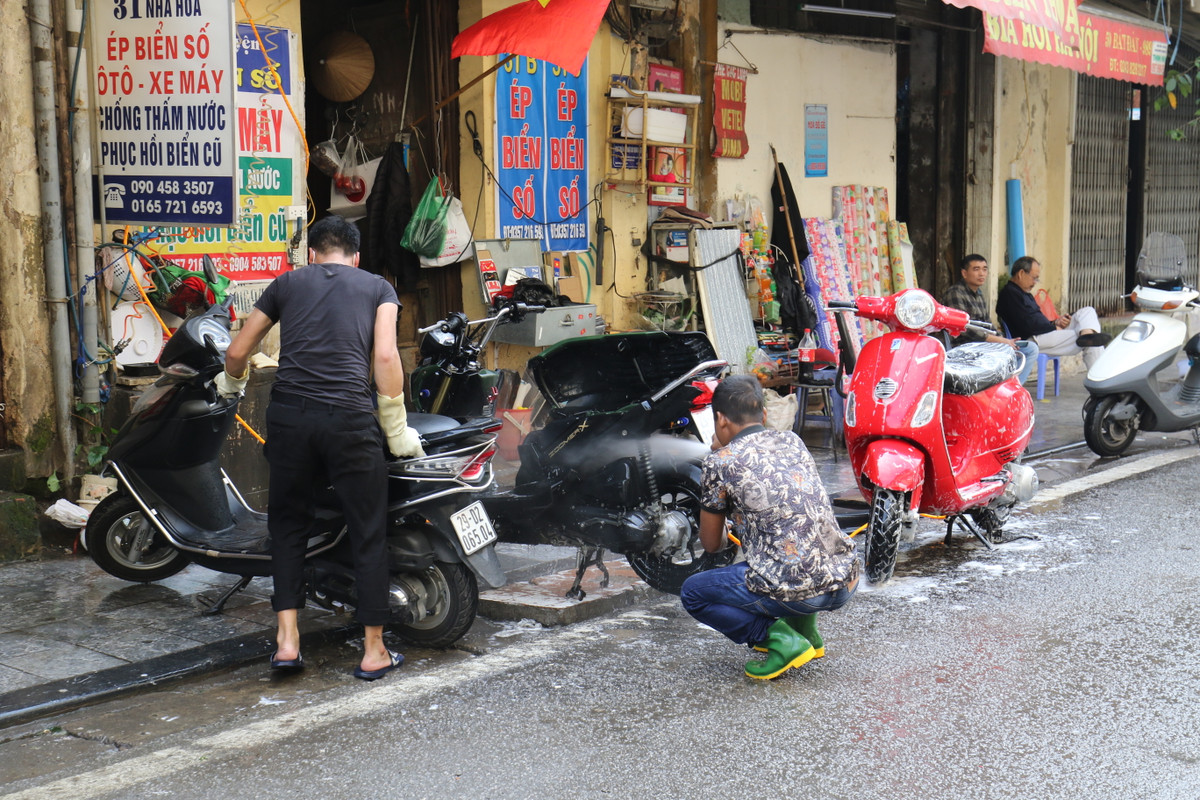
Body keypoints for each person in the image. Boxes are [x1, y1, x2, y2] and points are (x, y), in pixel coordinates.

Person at [217, 215, 424, 681]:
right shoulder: (377, 288)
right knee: (367, 530)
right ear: (356, 257)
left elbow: (237, 351)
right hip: (350, 420)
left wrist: (231, 387)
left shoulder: (285, 283)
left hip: (290, 418)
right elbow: (387, 357)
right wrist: (395, 428)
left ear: (312, 254)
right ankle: (373, 650)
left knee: (288, 525)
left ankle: (287, 642)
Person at [679, 374, 858, 680]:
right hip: (843, 581)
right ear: (762, 414)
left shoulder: (720, 462)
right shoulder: (793, 441)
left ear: (720, 419)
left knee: (693, 593)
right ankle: (809, 636)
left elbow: (712, 544)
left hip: (800, 591)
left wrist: (717, 457)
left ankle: (781, 640)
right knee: (797, 539)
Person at [997, 256, 1111, 368]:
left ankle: (1086, 334)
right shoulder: (1010, 294)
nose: (1035, 282)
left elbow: (1036, 320)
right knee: (1091, 342)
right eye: (1034, 278)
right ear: (1021, 273)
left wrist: (1055, 322)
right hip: (1033, 339)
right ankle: (1098, 380)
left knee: (1088, 311)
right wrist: (1053, 327)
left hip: (1044, 333)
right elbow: (1028, 325)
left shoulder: (1023, 293)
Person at [942, 254, 1038, 385]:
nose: (981, 273)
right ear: (964, 273)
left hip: (985, 344)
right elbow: (965, 330)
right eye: (976, 269)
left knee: (1030, 348)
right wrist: (1001, 341)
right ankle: (1005, 388)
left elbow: (988, 325)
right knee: (1008, 352)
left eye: (984, 269)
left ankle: (1013, 387)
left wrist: (1006, 340)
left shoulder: (979, 295)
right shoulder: (955, 293)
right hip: (964, 348)